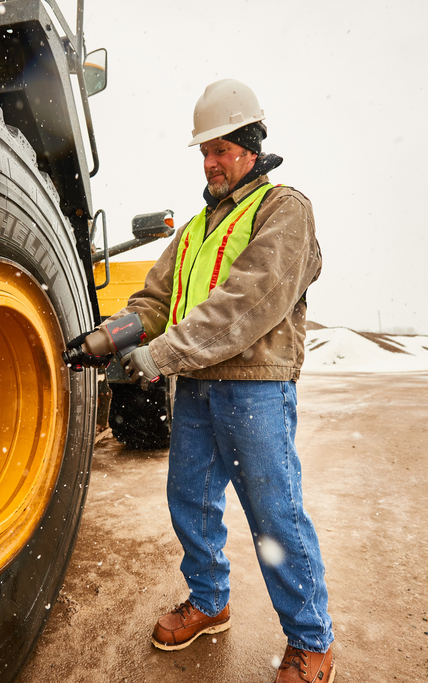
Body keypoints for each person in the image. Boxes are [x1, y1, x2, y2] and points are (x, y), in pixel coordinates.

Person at [87, 79, 335, 682]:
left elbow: (247, 303)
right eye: (205, 151)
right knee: (191, 503)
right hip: (196, 387)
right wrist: (109, 336)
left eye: (222, 149)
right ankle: (209, 601)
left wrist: (161, 355)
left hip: (254, 386)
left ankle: (311, 639)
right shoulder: (196, 230)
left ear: (251, 147)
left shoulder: (284, 209)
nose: (211, 162)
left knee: (275, 514)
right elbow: (155, 298)